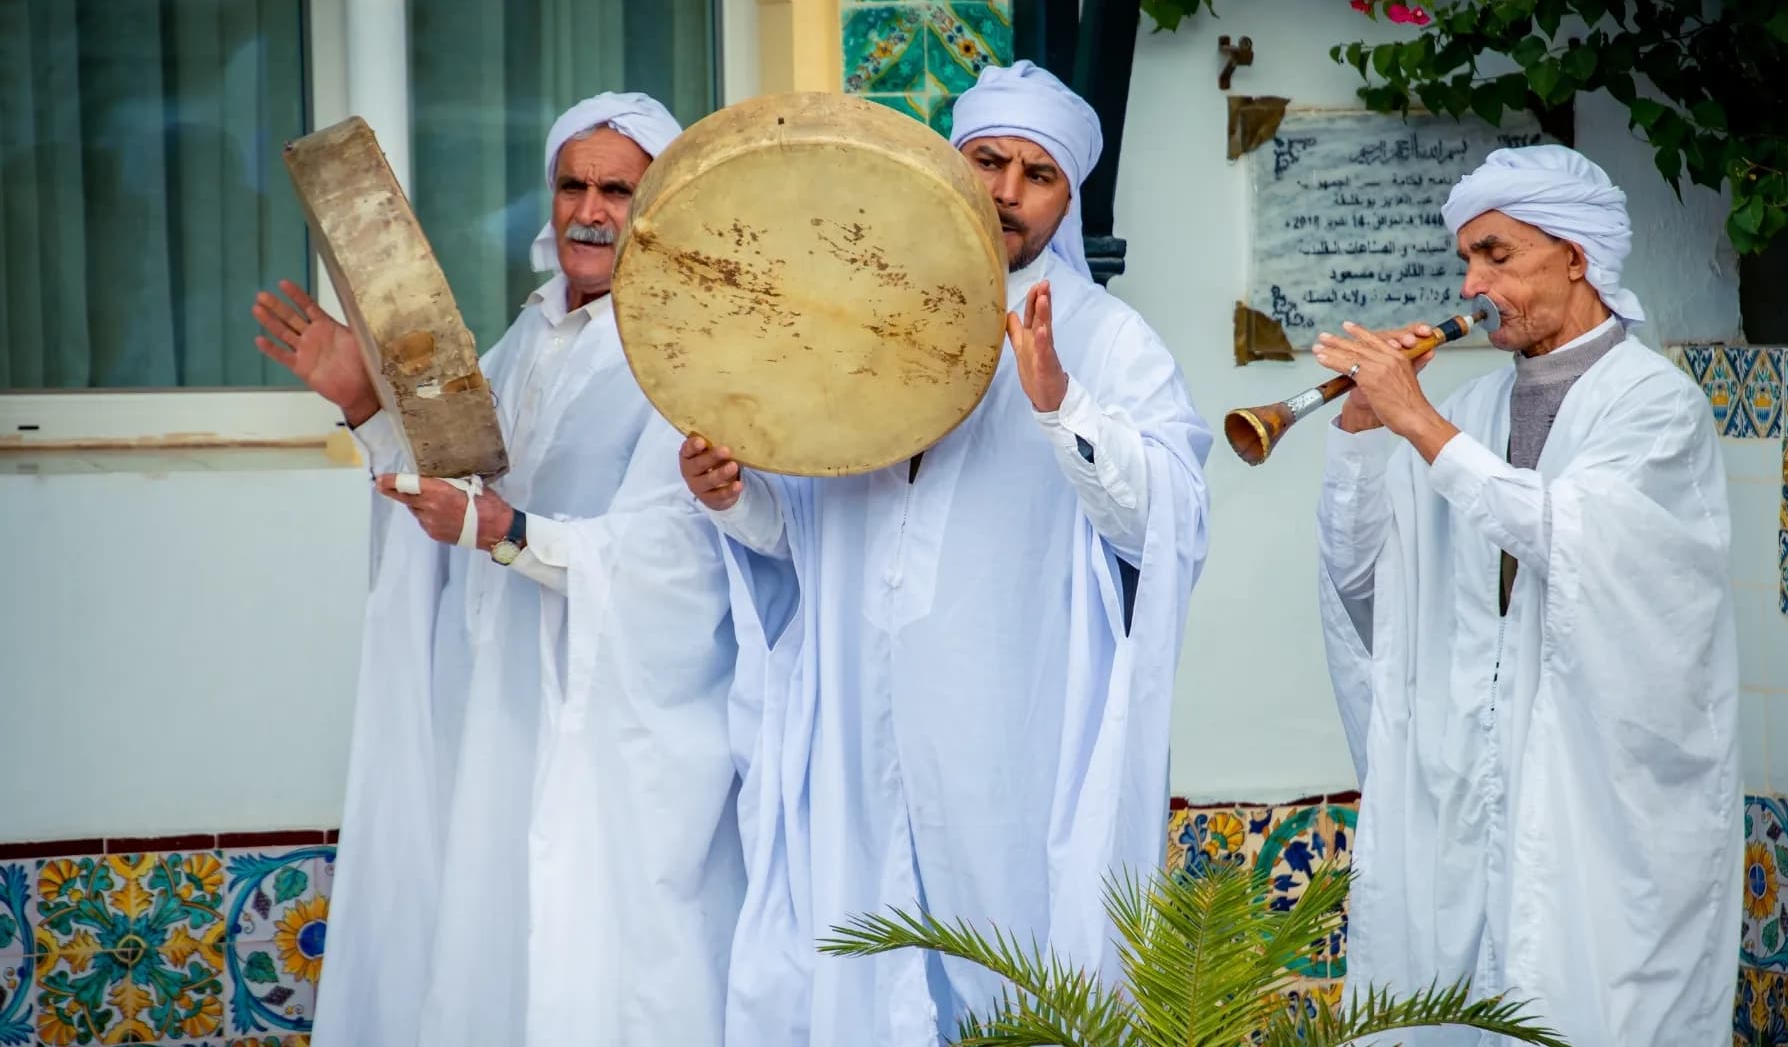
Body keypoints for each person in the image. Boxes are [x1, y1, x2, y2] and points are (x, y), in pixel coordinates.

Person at [679, 61, 1211, 1045]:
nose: (1006, 191)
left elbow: (1168, 520)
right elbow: (805, 528)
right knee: (860, 950)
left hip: (1007, 724)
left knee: (1012, 953)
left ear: (1068, 199)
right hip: (859, 713)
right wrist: (735, 494)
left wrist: (1060, 404)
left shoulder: (1109, 341)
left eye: (1037, 174)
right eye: (986, 161)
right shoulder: (851, 312)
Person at [251, 92, 742, 1047]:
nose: (589, 211)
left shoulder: (687, 348)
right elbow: (459, 480)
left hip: (610, 729)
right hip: (498, 703)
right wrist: (364, 404)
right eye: (572, 186)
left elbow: (679, 554)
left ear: (661, 206)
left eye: (617, 191)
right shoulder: (529, 339)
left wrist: (508, 533)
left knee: (607, 952)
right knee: (493, 935)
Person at [1310, 144, 1740, 1045]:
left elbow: (1565, 534)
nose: (1472, 284)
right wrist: (1360, 431)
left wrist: (1416, 420)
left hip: (1598, 803)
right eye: (1467, 259)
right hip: (1464, 798)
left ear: (1575, 257)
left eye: (1496, 255)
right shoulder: (1471, 411)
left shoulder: (1655, 406)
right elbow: (1365, 584)